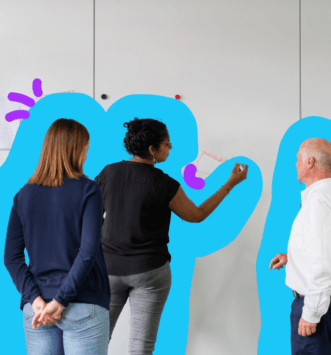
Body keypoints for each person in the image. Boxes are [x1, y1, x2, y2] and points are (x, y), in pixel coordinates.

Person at [95, 117, 248, 355]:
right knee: (140, 347)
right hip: (149, 272)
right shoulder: (165, 184)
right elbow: (196, 215)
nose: (171, 148)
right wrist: (229, 184)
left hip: (108, 269)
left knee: (97, 339)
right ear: (152, 149)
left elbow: (91, 214)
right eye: (167, 143)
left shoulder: (109, 172)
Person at [4, 118, 111, 355]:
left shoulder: (24, 194)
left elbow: (11, 258)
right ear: (76, 150)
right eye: (85, 148)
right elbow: (88, 252)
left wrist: (36, 300)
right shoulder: (88, 189)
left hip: (38, 308)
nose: (86, 154)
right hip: (83, 305)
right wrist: (60, 301)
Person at [268, 138, 331, 355]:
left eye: (298, 159)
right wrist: (293, 256)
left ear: (310, 162)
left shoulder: (319, 202)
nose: (295, 164)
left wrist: (312, 313)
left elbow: (322, 264)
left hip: (321, 305)